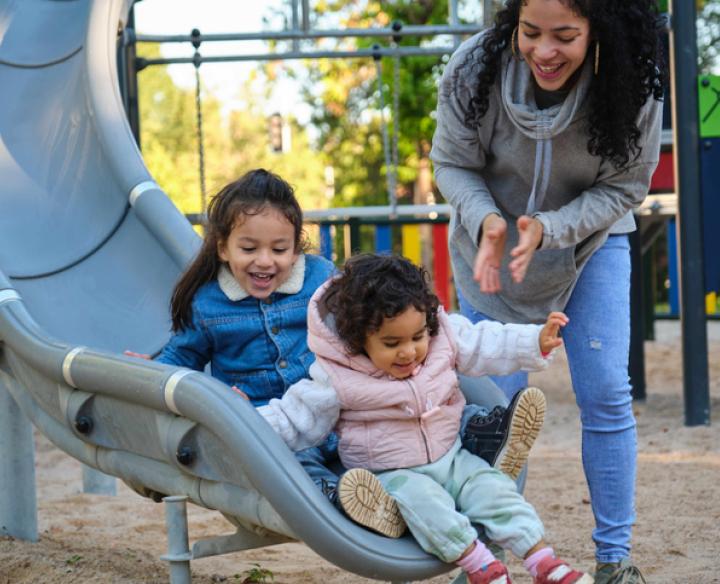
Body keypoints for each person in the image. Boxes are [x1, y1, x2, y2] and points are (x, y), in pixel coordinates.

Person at [430, 0, 664, 581]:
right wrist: (487, 219)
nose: (545, 51)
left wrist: (552, 229)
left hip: (590, 242)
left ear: (599, 31)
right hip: (492, 249)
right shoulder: (474, 67)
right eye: (530, 33)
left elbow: (626, 185)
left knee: (607, 390)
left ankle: (614, 560)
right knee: (494, 411)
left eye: (565, 36)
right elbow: (450, 163)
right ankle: (485, 559)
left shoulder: (632, 80)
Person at [258, 254, 592, 584]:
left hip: (452, 456)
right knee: (424, 503)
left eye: (417, 337)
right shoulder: (338, 377)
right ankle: (481, 566)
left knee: (495, 489)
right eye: (392, 343)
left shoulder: (442, 337)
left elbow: (484, 342)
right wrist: (240, 422)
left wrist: (534, 340)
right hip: (392, 473)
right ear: (359, 339)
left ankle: (544, 563)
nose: (409, 351)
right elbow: (294, 416)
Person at [126, 169, 401, 536]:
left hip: (333, 415)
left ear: (296, 246)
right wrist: (150, 373)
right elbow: (182, 358)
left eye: (279, 249)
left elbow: (359, 323)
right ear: (223, 247)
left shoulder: (320, 279)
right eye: (249, 248)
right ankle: (336, 499)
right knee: (293, 465)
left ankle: (406, 492)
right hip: (264, 429)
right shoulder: (208, 302)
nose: (265, 261)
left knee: (385, 438)